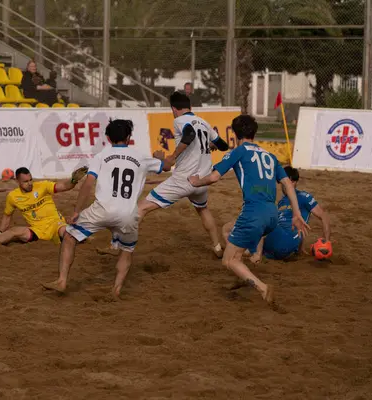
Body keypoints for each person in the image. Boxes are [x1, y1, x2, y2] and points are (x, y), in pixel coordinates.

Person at [42, 119, 173, 299]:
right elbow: (166, 166)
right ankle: (116, 290)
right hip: (128, 213)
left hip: (102, 210)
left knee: (70, 236)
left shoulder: (101, 156)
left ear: (108, 138)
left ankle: (62, 281)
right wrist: (159, 158)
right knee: (127, 250)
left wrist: (76, 210)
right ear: (128, 137)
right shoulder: (141, 157)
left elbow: (88, 183)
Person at [188, 115, 310, 305]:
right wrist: (297, 214)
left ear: (235, 134)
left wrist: (196, 181)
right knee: (229, 229)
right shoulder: (270, 156)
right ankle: (242, 273)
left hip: (254, 213)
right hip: (272, 215)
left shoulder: (239, 151)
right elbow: (287, 184)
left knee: (228, 260)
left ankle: (262, 288)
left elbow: (213, 178)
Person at [137, 91, 229, 257]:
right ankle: (217, 247)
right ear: (190, 107)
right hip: (201, 181)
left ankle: (119, 246)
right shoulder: (204, 122)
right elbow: (223, 146)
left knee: (141, 208)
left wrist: (171, 157)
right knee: (203, 209)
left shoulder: (179, 120)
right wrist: (209, 144)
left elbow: (190, 134)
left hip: (183, 180)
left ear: (173, 108)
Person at [234, 166, 330, 262]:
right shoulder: (281, 202)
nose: (282, 185)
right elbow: (300, 225)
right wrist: (300, 249)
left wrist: (327, 242)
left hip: (286, 240)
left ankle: (256, 255)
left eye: (284, 182)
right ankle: (246, 252)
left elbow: (323, 216)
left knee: (261, 219)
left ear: (293, 182)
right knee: (239, 235)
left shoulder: (303, 196)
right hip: (278, 245)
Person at [0, 166, 88, 245]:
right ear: (17, 181)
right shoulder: (13, 196)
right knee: (13, 231)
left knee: (67, 232)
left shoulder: (43, 186)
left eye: (31, 180)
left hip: (56, 225)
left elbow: (64, 186)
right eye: (26, 181)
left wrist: (73, 180)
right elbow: (7, 216)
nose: (30, 183)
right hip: (37, 230)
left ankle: (81, 235)